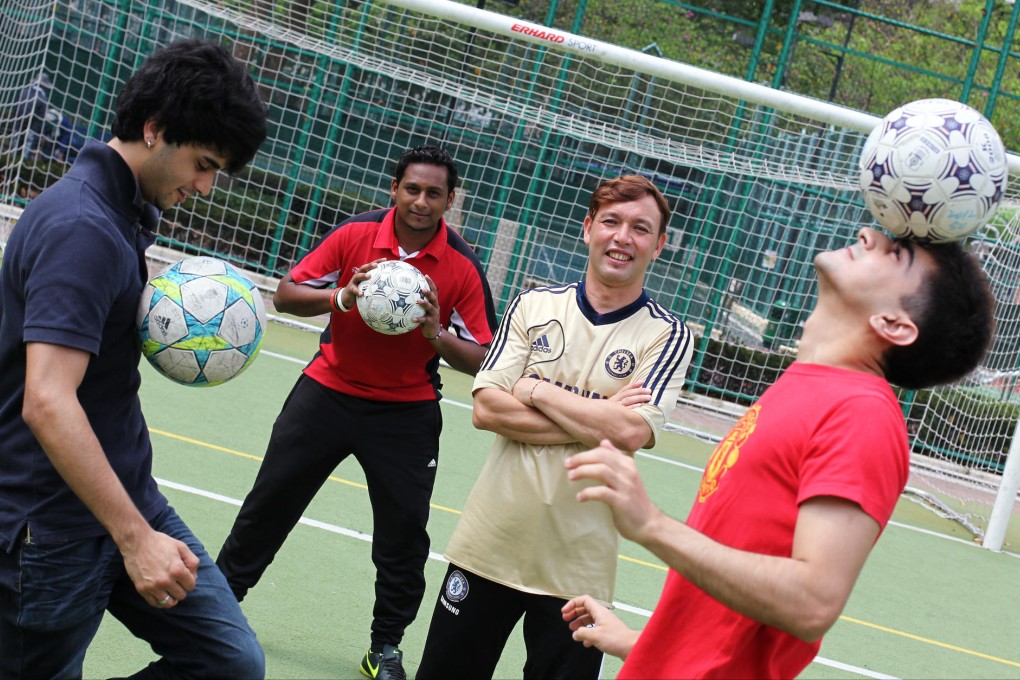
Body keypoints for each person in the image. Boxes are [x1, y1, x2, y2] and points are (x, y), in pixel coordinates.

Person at [560, 227, 996, 678]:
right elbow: (735, 617)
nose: (869, 233)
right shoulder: (806, 386)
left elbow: (812, 602)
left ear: (894, 324)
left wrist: (650, 525)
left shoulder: (862, 415)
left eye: (896, 253)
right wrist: (643, 643)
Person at [0, 39, 268, 677]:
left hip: (125, 496)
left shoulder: (125, 210)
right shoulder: (83, 228)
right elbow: (46, 399)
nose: (204, 186)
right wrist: (135, 538)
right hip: (56, 526)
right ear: (154, 130)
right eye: (203, 164)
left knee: (229, 662)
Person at [215, 143, 498, 680]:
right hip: (327, 392)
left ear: (449, 201)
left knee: (403, 537)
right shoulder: (355, 234)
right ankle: (218, 610)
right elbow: (286, 294)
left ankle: (384, 648)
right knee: (268, 504)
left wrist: (435, 332)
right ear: (394, 189)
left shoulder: (461, 266)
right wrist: (339, 298)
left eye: (433, 193)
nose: (420, 201)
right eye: (411, 189)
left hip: (405, 412)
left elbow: (484, 355)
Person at [416, 174, 695, 680]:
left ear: (659, 245)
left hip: (579, 571)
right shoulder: (535, 305)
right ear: (587, 228)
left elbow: (631, 434)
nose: (622, 237)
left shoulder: (668, 334)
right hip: (490, 545)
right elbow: (486, 410)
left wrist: (536, 389)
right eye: (610, 221)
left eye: (640, 228)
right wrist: (600, 417)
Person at [15, 72, 52, 160]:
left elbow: (16, 109)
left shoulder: (23, 91)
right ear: (44, 86)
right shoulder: (43, 98)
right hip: (32, 129)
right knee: (25, 153)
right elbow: (41, 119)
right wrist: (39, 133)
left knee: (14, 149)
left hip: (18, 125)